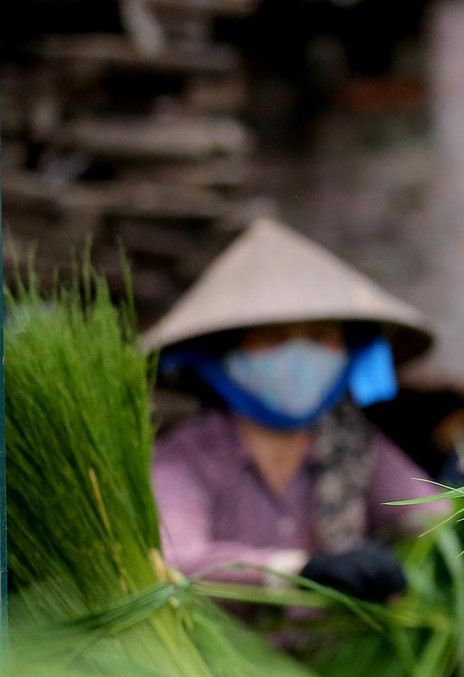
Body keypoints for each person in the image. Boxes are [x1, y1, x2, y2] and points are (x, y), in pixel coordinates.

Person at [145, 218, 447, 605]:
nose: (301, 355)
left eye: (320, 337)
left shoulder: (355, 448)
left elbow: (432, 520)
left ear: (347, 351)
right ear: (224, 354)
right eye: (274, 338)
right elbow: (176, 559)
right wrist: (298, 572)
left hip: (331, 659)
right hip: (216, 660)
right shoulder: (187, 458)